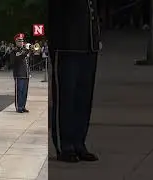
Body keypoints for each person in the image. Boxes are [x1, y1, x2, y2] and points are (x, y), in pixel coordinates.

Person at [49, 0, 101, 162]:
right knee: (66, 97)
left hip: (88, 45)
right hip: (67, 45)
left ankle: (79, 143)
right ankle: (65, 146)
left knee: (83, 98)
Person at [11, 33, 30, 113]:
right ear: (16, 42)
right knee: (19, 91)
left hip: (25, 73)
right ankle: (19, 107)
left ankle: (23, 106)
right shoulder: (15, 51)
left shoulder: (24, 50)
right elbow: (17, 59)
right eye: (19, 40)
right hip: (18, 73)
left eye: (22, 40)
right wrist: (27, 50)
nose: (21, 42)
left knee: (25, 92)